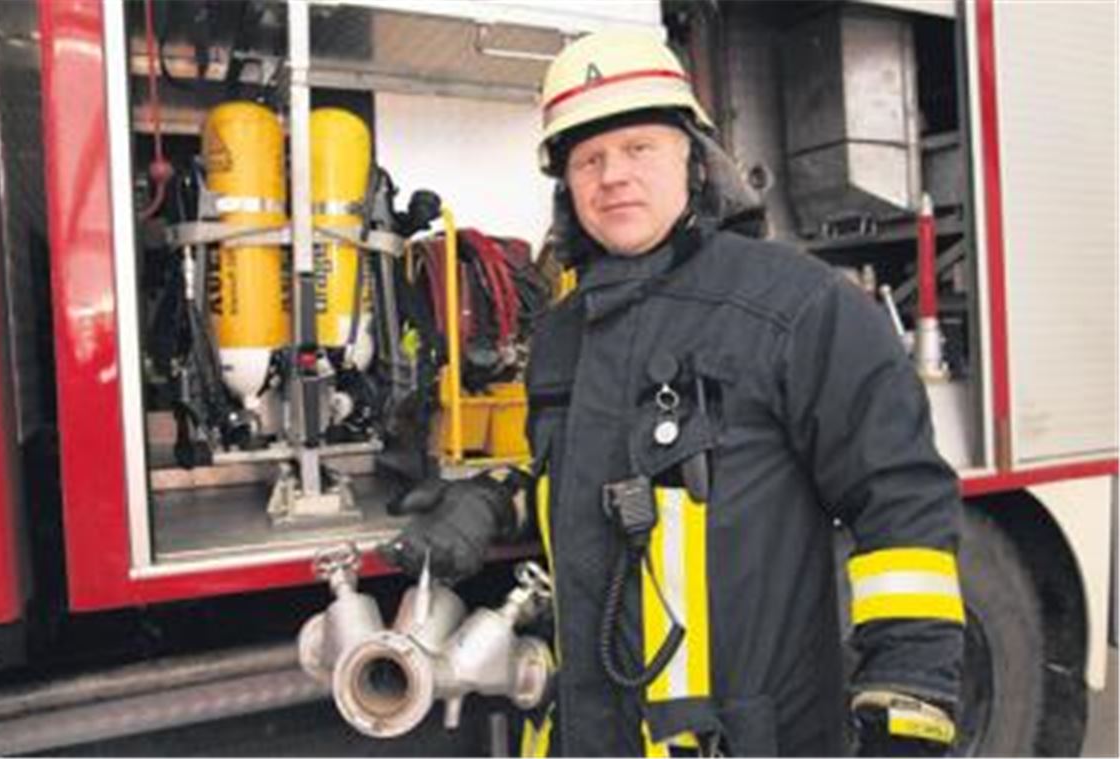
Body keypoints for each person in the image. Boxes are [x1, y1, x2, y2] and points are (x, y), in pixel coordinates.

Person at [380, 28, 965, 757]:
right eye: (588, 158)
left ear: (694, 159)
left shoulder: (799, 308)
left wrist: (907, 704)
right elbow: (590, 485)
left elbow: (901, 506)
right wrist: (496, 497)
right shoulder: (562, 335)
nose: (612, 175)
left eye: (639, 148)